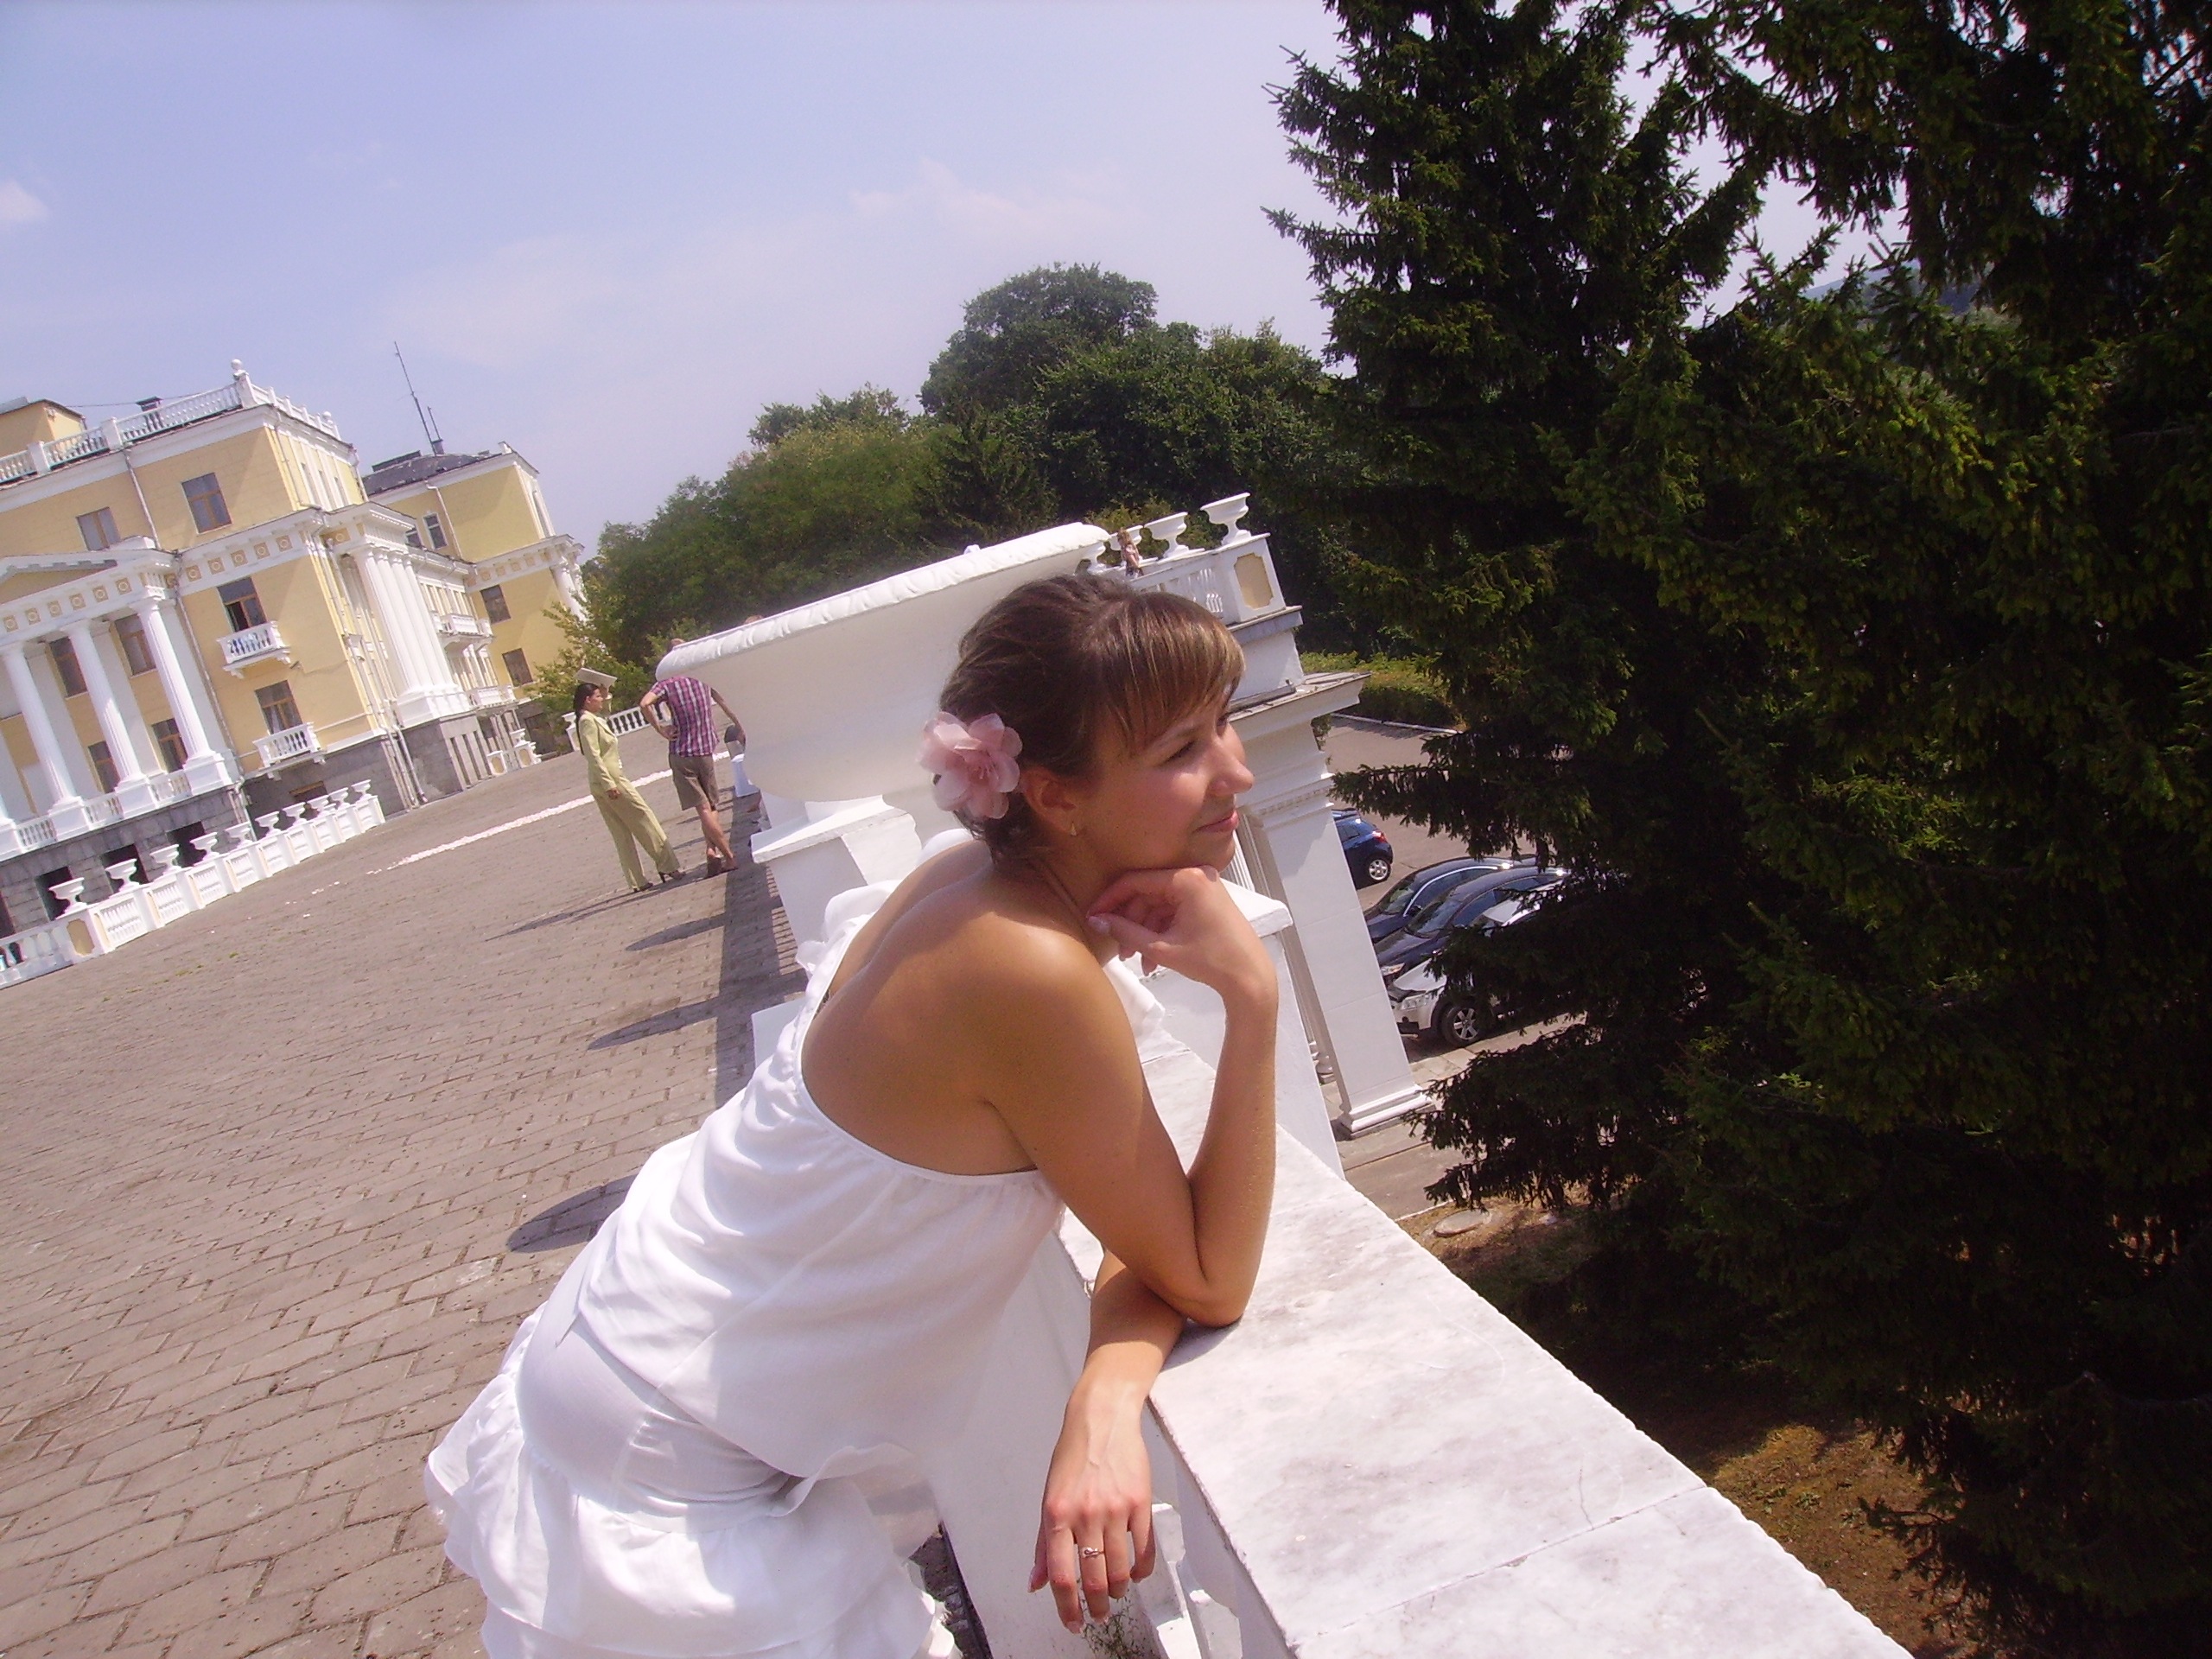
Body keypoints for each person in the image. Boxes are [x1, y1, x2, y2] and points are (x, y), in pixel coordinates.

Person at [429, 575, 1278, 1658]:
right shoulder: (1023, 971)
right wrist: (1253, 1002)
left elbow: (1148, 1238)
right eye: (1181, 750)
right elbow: (1204, 1274)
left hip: (621, 1349)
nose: (1235, 771)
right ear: (1053, 794)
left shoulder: (958, 880)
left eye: (1224, 723)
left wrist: (1103, 1396)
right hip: (663, 1467)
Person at [575, 680, 681, 892]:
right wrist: (609, 784)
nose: (602, 700)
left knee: (622, 832)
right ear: (587, 700)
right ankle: (668, 865)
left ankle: (637, 880)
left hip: (601, 781)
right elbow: (593, 755)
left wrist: (606, 693)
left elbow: (605, 714)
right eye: (598, 697)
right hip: (611, 780)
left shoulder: (591, 719)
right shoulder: (587, 722)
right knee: (644, 818)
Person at [642, 655, 741, 874]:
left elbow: (645, 703)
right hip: (705, 749)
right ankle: (712, 850)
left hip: (681, 752)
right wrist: (740, 726)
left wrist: (661, 729)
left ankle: (727, 855)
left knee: (703, 808)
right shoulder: (704, 677)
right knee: (712, 805)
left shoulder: (667, 683)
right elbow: (725, 702)